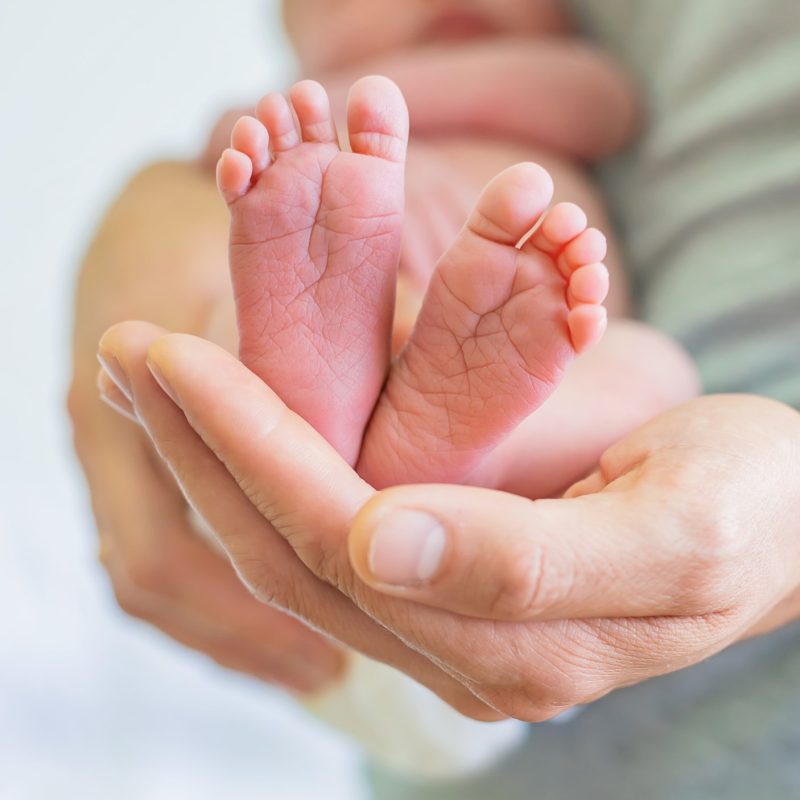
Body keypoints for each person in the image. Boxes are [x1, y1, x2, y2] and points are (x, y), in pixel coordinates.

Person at [70, 0, 800, 796]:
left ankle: (429, 431)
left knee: (648, 375)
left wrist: (357, 102)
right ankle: (337, 394)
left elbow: (601, 104)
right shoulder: (305, 130)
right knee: (217, 324)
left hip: (533, 513)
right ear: (289, 27)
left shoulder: (338, 115)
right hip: (312, 549)